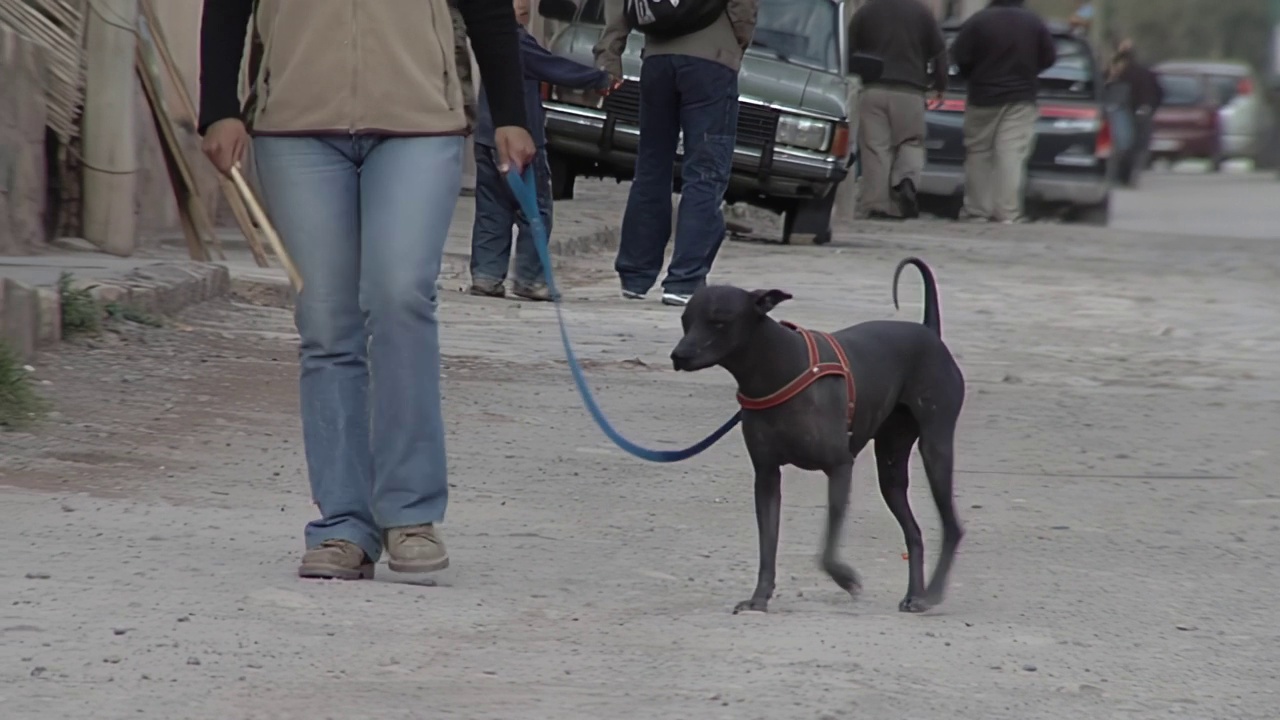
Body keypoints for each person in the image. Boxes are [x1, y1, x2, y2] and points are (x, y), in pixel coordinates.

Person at [198, 0, 536, 580]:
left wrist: (509, 111)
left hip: (418, 119)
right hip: (295, 123)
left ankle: (409, 514)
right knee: (326, 322)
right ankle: (343, 526)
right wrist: (218, 108)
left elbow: (488, 8)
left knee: (401, 296)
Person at [594, 0, 759, 307]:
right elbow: (742, 8)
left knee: (651, 167)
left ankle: (636, 275)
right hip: (712, 59)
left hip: (657, 57)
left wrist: (609, 55)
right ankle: (684, 280)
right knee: (705, 171)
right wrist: (738, 41)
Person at [469, 0, 623, 301]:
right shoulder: (512, 41)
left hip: (486, 138)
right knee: (535, 211)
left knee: (493, 210)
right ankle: (529, 278)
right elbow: (555, 68)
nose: (523, 4)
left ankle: (486, 275)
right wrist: (600, 79)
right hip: (520, 144)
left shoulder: (495, 42)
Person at [950, 0, 1056, 224]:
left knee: (978, 153)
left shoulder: (978, 21)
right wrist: (1028, 70)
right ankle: (1006, 212)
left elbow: (960, 55)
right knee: (1010, 153)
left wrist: (974, 75)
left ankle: (977, 211)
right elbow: (1049, 57)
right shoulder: (1033, 21)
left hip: (982, 96)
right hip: (1020, 97)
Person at [848, 0, 948, 220]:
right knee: (911, 141)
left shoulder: (867, 11)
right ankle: (906, 181)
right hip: (910, 90)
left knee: (875, 148)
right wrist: (940, 85)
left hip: (873, 88)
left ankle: (876, 205)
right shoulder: (922, 13)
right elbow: (939, 52)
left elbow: (849, 48)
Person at [1110, 42, 1164, 186]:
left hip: (1126, 112)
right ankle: (1131, 176)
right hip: (1143, 112)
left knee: (1124, 146)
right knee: (1139, 147)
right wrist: (1151, 108)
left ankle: (1120, 176)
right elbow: (1159, 92)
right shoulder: (1146, 72)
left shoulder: (1121, 74)